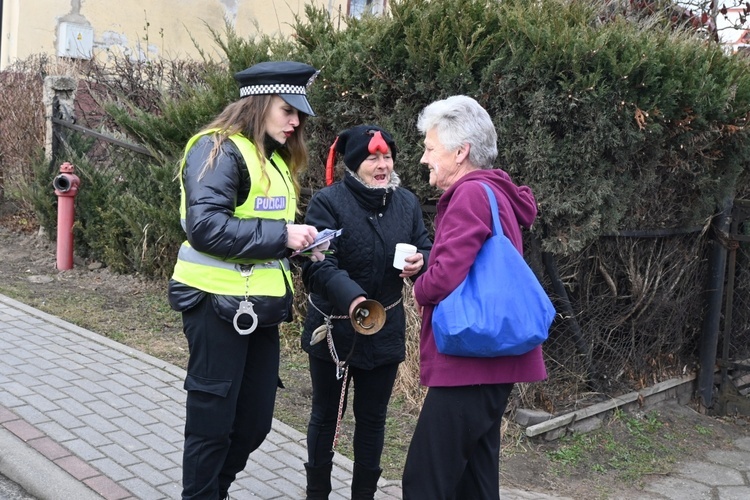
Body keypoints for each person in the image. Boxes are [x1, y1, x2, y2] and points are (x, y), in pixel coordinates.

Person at [167, 60, 327, 500]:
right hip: (215, 306)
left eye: (299, 114)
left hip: (257, 309)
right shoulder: (216, 149)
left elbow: (260, 231)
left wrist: (296, 246)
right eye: (287, 110)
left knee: (254, 423)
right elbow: (206, 227)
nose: (296, 121)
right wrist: (282, 235)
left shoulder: (272, 158)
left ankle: (213, 492)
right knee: (211, 424)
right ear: (258, 104)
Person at [401, 95, 548, 500]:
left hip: (468, 358)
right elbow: (473, 256)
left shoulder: (468, 194)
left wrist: (420, 287)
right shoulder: (495, 192)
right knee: (475, 480)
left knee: (424, 480)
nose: (424, 158)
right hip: (494, 358)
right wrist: (430, 260)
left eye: (430, 148)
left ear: (460, 151)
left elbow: (447, 275)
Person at [300, 125, 432, 499]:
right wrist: (354, 298)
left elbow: (426, 245)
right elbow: (317, 264)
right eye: (373, 158)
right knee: (326, 418)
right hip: (334, 330)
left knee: (373, 421)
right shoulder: (327, 202)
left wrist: (422, 261)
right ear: (355, 163)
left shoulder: (405, 202)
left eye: (387, 157)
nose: (382, 164)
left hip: (385, 329)